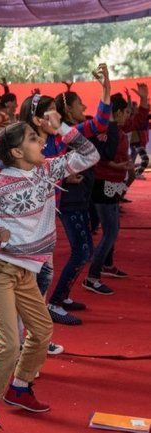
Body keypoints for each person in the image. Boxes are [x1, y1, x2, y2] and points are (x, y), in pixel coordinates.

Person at [0, 114, 100, 433]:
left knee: (41, 330)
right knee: (9, 345)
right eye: (33, 139)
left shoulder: (47, 170)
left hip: (28, 271)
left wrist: (61, 127)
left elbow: (89, 154)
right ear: (16, 152)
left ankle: (20, 387)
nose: (42, 141)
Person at [46, 64, 113, 324]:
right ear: (67, 110)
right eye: (80, 104)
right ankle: (53, 303)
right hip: (67, 201)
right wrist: (64, 177)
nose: (84, 107)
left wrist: (106, 88)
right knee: (82, 252)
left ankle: (60, 298)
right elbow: (43, 166)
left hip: (80, 198)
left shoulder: (73, 132)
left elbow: (101, 122)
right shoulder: (52, 138)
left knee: (84, 249)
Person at [83, 84, 149, 294]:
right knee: (110, 232)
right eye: (126, 112)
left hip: (113, 183)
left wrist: (144, 99)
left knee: (113, 229)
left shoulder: (118, 128)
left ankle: (106, 265)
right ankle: (92, 277)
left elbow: (139, 121)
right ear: (117, 112)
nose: (129, 116)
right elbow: (100, 157)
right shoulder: (102, 130)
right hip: (103, 184)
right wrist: (118, 166)